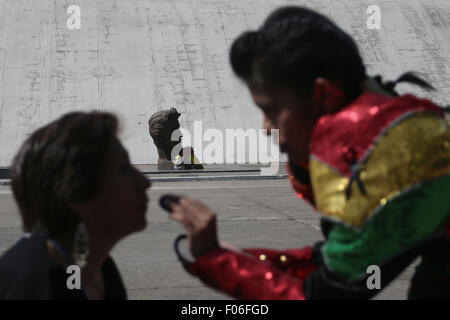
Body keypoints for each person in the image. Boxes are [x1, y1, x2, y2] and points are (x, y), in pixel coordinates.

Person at [168, 6, 450, 299]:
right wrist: (245, 260)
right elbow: (342, 264)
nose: (267, 128)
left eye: (273, 111)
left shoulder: (389, 156)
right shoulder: (394, 129)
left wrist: (218, 262)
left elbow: (324, 293)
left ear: (324, 95)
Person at [0, 111, 151, 299]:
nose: (145, 182)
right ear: (78, 195)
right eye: (123, 169)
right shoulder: (33, 282)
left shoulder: (100, 267)